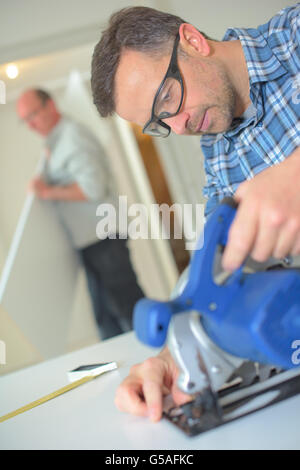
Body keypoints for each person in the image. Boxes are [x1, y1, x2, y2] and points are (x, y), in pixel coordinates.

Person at [90, 5, 300, 421]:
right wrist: (179, 354)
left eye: (167, 97)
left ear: (193, 41)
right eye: (160, 121)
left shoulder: (294, 36)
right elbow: (218, 269)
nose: (181, 126)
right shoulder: (219, 156)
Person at [17, 89, 144, 341]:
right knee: (106, 317)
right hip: (92, 240)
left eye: (33, 115)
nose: (31, 125)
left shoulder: (73, 137)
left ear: (50, 105)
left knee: (126, 305)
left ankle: (157, 356)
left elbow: (92, 188)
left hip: (103, 237)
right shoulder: (55, 143)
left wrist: (46, 191)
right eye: (25, 120)